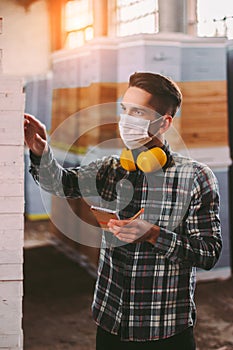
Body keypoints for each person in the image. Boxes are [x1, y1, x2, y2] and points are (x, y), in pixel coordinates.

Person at [24, 72, 222, 350]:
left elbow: (209, 253)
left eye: (138, 112)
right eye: (125, 109)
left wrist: (154, 235)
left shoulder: (196, 178)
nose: (126, 119)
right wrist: (40, 150)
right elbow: (59, 183)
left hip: (164, 328)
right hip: (111, 320)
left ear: (164, 123)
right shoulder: (112, 169)